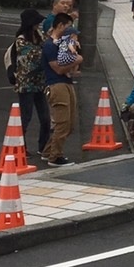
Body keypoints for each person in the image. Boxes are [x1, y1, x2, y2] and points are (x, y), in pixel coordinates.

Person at [41, 12, 79, 165]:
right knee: (62, 124)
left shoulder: (60, 45)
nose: (70, 31)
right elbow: (58, 69)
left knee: (68, 123)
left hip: (65, 84)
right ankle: (55, 157)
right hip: (57, 85)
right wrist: (77, 60)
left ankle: (49, 151)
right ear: (60, 26)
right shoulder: (50, 45)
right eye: (68, 27)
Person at [12, 9, 51, 158]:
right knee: (25, 117)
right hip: (26, 83)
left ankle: (44, 146)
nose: (38, 25)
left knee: (45, 118)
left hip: (39, 82)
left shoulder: (39, 35)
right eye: (36, 22)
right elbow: (31, 59)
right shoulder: (21, 39)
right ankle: (20, 147)